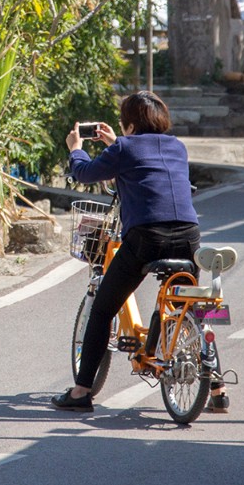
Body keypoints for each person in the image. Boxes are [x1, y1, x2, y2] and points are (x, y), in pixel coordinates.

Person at [51, 90, 214, 412]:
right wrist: (116, 144)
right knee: (193, 307)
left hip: (147, 236)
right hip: (189, 236)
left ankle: (82, 391)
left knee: (102, 309)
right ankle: (217, 385)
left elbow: (85, 173)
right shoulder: (176, 146)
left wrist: (76, 149)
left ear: (128, 123)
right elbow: (147, 163)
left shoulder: (125, 147)